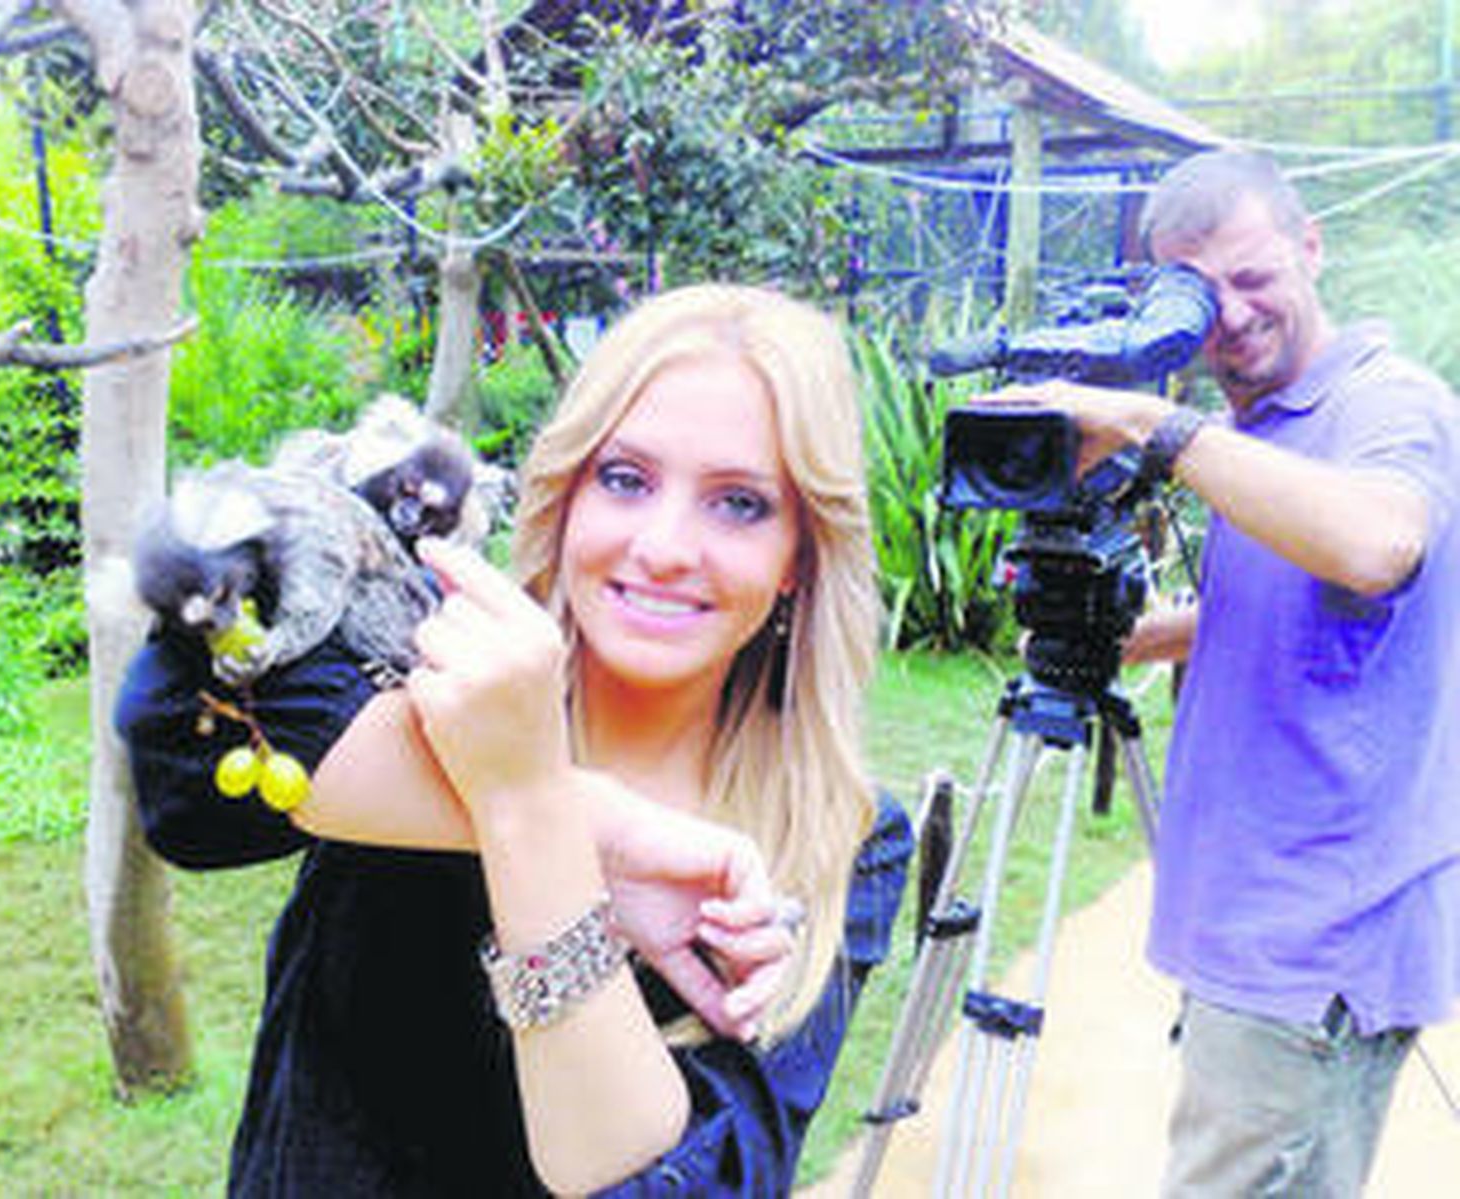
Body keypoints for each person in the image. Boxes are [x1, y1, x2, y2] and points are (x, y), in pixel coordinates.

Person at [115, 282, 913, 1196]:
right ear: (566, 495)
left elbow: (694, 1178)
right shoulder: (437, 665)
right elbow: (180, 760)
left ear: (799, 558)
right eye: (626, 478)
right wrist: (590, 820)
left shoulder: (839, 835)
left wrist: (532, 812)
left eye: (738, 503)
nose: (663, 546)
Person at [978, 148, 1459, 1195]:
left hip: (1308, 938)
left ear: (1311, 246)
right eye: (1198, 293)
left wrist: (1153, 424)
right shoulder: (1261, 427)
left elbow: (1377, 549)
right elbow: (1324, 613)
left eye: (1253, 277)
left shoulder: (1388, 406)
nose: (1229, 317)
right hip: (1255, 923)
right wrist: (1149, 634)